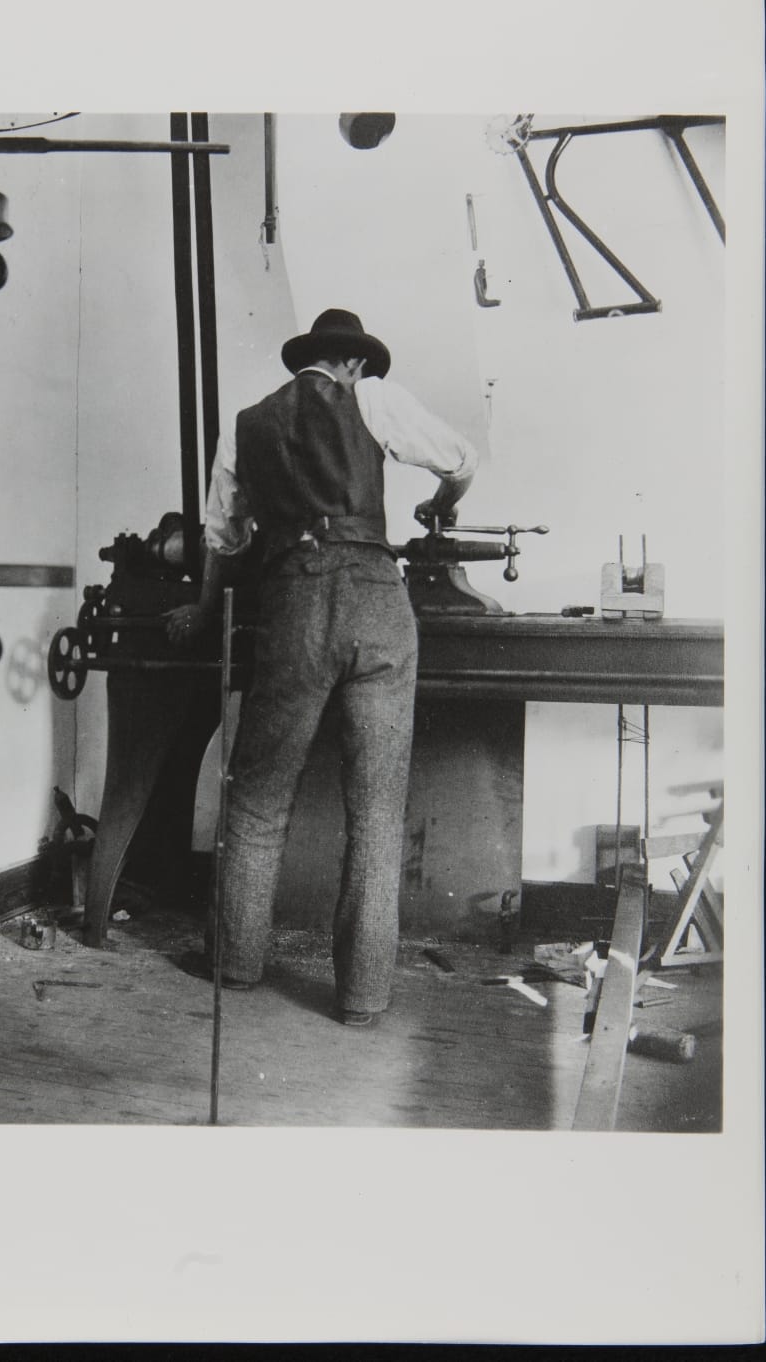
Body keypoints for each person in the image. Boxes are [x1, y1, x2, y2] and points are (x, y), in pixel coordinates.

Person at [164, 308, 477, 1026]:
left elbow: (222, 539)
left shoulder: (248, 423)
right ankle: (362, 999)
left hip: (295, 606)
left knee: (257, 798)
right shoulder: (374, 398)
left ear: (310, 360)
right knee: (376, 814)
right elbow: (461, 459)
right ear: (355, 363)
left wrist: (204, 613)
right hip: (379, 604)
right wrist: (441, 501)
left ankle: (235, 964)